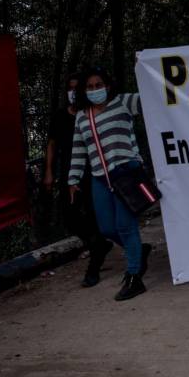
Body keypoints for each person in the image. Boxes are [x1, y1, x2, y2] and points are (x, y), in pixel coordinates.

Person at [68, 66, 152, 301]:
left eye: (99, 85)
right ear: (84, 91)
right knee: (106, 228)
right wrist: (72, 179)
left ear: (107, 85)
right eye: (90, 87)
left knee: (126, 226)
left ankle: (135, 277)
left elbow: (153, 99)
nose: (95, 90)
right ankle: (138, 250)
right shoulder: (82, 116)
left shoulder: (123, 102)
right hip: (100, 178)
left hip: (126, 172)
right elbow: (78, 149)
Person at [43, 73, 112, 287]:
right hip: (69, 172)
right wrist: (49, 171)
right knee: (70, 216)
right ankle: (97, 244)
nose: (73, 92)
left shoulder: (90, 114)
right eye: (70, 88)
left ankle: (94, 265)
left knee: (93, 215)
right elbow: (52, 144)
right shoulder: (60, 116)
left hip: (92, 171)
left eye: (77, 88)